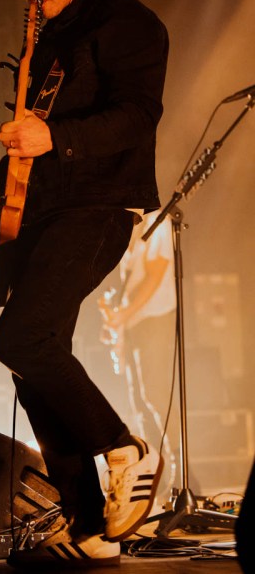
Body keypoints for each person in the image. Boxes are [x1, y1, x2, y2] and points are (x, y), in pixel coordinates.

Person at [0, 0, 169, 568]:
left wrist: (52, 136)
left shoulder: (125, 22)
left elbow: (136, 116)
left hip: (99, 208)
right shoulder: (45, 43)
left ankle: (124, 448)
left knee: (23, 339)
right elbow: (39, 135)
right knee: (32, 362)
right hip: (45, 213)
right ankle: (89, 527)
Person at [98, 214, 178, 505]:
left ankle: (180, 475)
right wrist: (116, 319)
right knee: (140, 405)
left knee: (156, 397)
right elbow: (132, 284)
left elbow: (156, 274)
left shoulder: (158, 222)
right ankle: (156, 477)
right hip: (135, 324)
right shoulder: (127, 226)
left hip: (155, 320)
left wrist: (122, 315)